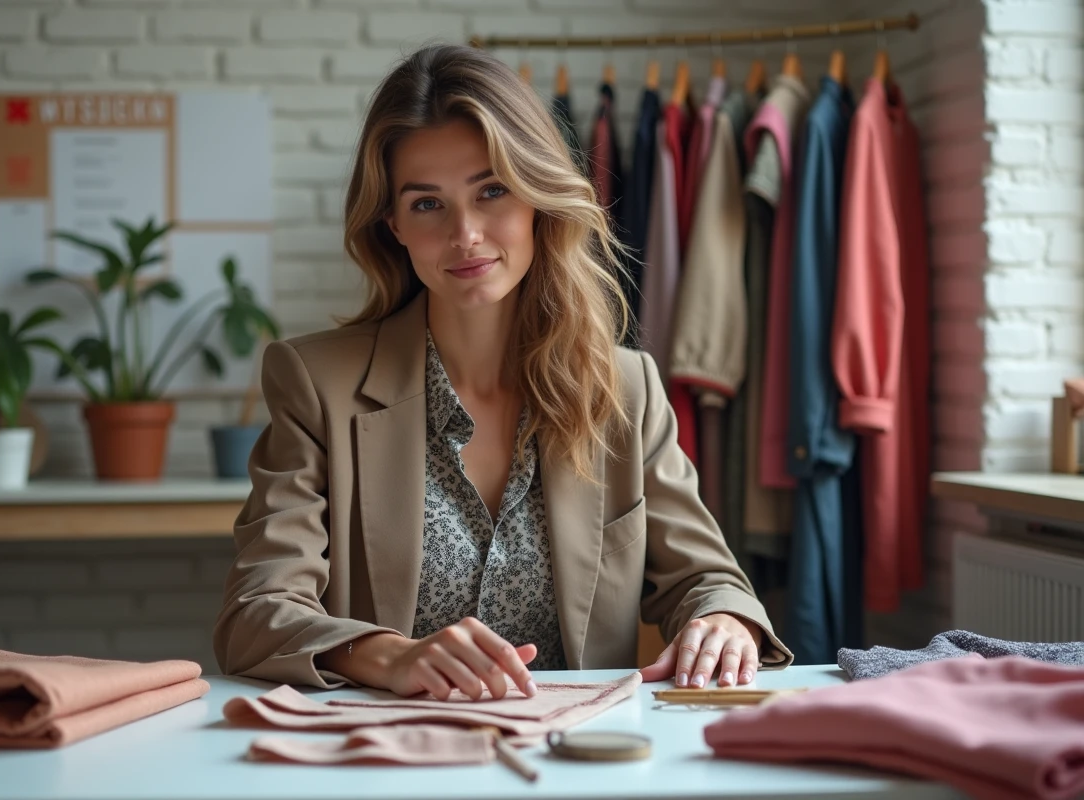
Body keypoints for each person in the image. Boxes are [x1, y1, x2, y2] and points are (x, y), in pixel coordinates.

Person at [213, 43, 793, 702]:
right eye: (428, 204)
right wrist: (389, 657)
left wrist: (723, 621)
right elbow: (256, 615)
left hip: (577, 763)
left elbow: (707, 580)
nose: (465, 233)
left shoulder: (627, 389)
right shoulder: (317, 384)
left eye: (492, 191)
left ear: (539, 198)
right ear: (393, 224)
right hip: (386, 759)